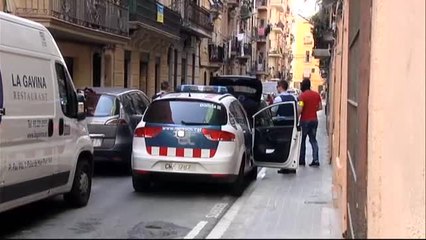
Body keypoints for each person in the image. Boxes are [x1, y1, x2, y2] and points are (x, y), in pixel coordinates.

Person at [271, 80, 300, 174]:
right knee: (291, 144)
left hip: (281, 124)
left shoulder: (278, 99)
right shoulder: (294, 97)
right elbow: (297, 109)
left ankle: (284, 165)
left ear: (280, 87)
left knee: (282, 145)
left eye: (277, 86)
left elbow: (273, 110)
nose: (277, 88)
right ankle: (292, 166)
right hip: (292, 123)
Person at [298, 78, 322, 167]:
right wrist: (312, 109)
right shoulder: (316, 95)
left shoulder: (301, 96)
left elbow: (300, 109)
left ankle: (302, 160)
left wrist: (297, 117)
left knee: (302, 141)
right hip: (314, 120)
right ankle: (315, 159)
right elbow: (320, 107)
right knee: (313, 140)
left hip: (304, 120)